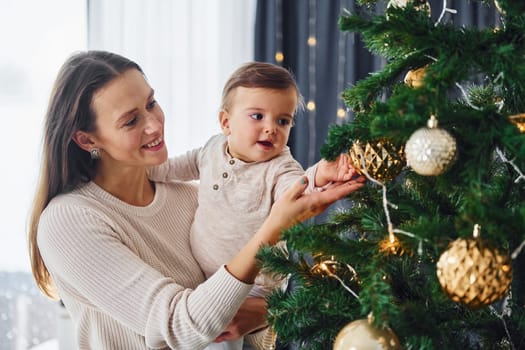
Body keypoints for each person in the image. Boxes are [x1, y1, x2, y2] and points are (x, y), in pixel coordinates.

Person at [27, 50, 366, 350]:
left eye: (151, 103)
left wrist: (265, 310)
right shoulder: (68, 222)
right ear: (87, 140)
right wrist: (275, 226)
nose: (154, 125)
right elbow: (179, 327)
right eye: (131, 120)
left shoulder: (192, 198)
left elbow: (251, 291)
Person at [149, 62, 358, 349]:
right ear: (226, 123)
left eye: (283, 121)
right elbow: (174, 168)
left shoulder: (280, 167)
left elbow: (298, 188)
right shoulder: (211, 149)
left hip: (253, 284)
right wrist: (141, 170)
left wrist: (320, 173)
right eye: (257, 116)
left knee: (225, 339)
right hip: (205, 278)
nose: (271, 128)